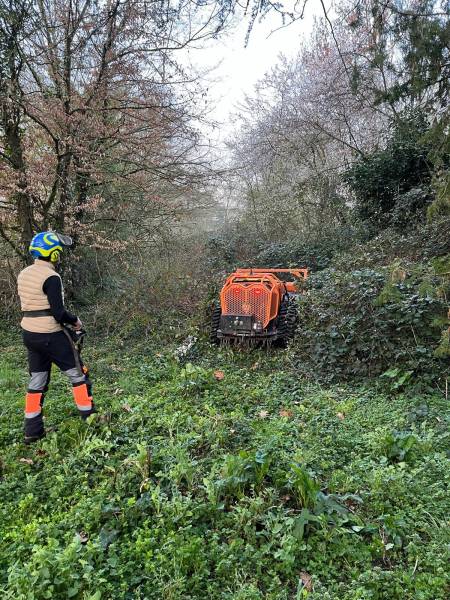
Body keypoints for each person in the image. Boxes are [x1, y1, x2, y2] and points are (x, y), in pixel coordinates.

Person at [17, 231, 95, 444]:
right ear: (51, 254)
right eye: (57, 253)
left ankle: (32, 430)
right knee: (78, 375)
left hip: (29, 334)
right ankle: (90, 419)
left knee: (37, 380)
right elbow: (58, 313)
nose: (58, 257)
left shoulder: (24, 273)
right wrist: (76, 321)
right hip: (50, 334)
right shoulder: (51, 277)